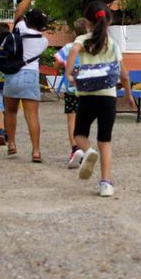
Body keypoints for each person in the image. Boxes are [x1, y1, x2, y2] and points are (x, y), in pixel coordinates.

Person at [64, 1, 135, 197]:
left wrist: (70, 73)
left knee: (79, 135)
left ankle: (88, 152)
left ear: (87, 22)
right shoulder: (112, 44)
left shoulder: (82, 40)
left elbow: (72, 51)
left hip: (87, 96)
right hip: (108, 97)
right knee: (105, 141)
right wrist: (128, 95)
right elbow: (125, 75)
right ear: (108, 22)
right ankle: (106, 183)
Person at [3, 0, 48, 161]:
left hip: (13, 74)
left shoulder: (20, 29)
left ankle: (12, 144)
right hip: (30, 75)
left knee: (11, 111)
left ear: (28, 20)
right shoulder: (44, 41)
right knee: (32, 115)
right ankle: (36, 151)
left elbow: (19, 11)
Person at [55, 17, 89, 169]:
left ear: (75, 32)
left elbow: (56, 63)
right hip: (88, 91)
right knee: (85, 121)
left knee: (72, 121)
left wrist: (64, 64)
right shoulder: (91, 48)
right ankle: (85, 148)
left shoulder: (69, 47)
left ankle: (75, 149)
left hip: (71, 89)